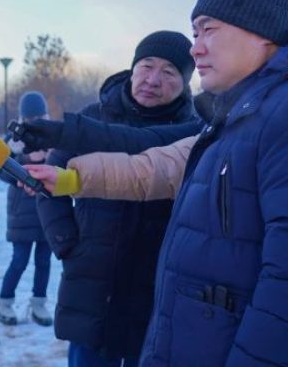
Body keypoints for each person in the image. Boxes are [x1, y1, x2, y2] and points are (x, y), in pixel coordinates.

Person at [29, 0, 288, 365]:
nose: (196, 48)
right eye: (195, 33)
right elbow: (152, 166)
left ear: (260, 32)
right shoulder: (246, 112)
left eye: (208, 30)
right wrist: (70, 188)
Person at [37, 31, 197, 367]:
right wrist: (67, 244)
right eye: (146, 66)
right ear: (132, 68)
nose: (153, 79)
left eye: (169, 72)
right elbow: (49, 184)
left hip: (155, 287)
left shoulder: (194, 132)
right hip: (93, 283)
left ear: (185, 82)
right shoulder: (92, 120)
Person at [0, 91, 54, 327]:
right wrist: (25, 158)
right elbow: (1, 171)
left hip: (49, 207)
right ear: (23, 117)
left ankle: (39, 303)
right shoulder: (12, 140)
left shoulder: (54, 136)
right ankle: (4, 302)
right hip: (22, 210)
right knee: (19, 259)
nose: (35, 121)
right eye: (31, 117)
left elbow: (64, 165)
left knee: (44, 260)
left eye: (40, 115)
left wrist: (49, 156)